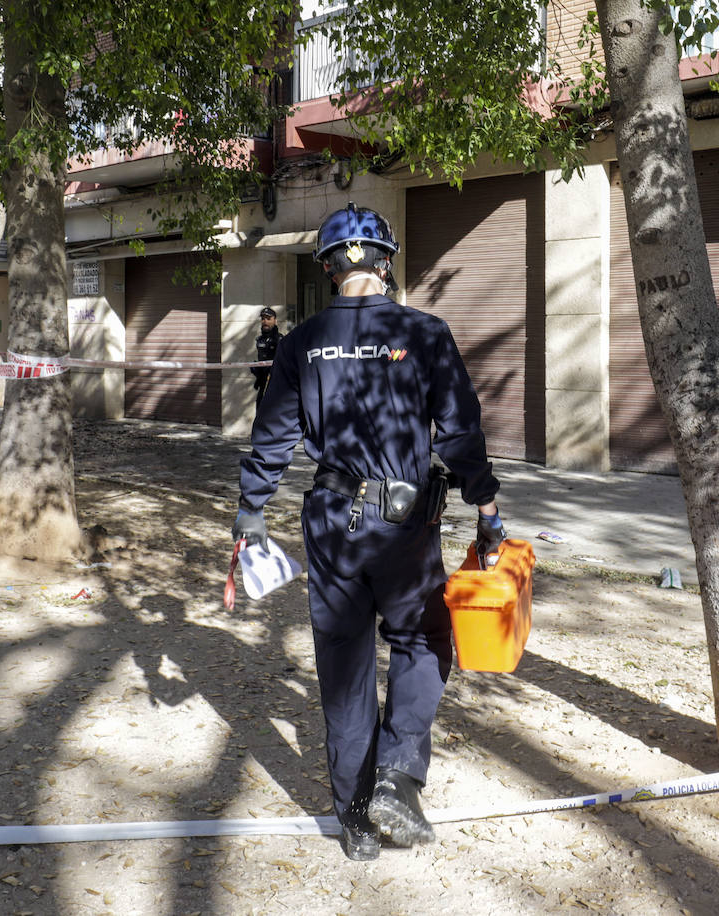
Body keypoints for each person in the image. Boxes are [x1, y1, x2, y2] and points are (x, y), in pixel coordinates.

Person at [232, 202, 508, 860]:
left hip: (330, 522)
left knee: (344, 662)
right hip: (404, 526)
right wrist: (487, 508)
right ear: (386, 262)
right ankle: (398, 776)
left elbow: (271, 438)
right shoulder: (426, 333)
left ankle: (354, 821)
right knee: (424, 639)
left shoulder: (302, 342)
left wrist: (250, 511)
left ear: (330, 269)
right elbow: (463, 434)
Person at [251, 307, 280, 408]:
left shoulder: (280, 340)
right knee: (260, 411)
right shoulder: (260, 340)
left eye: (268, 318)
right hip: (263, 383)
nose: (265, 321)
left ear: (275, 320)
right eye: (263, 319)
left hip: (276, 384)